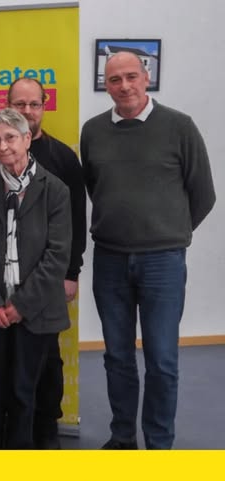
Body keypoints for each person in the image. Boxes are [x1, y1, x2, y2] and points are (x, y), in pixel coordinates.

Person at [80, 51, 216, 450]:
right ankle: (122, 437)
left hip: (163, 262)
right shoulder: (93, 131)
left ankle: (158, 444)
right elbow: (97, 187)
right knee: (117, 357)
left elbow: (203, 193)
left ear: (146, 77)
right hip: (110, 259)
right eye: (114, 79)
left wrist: (168, 233)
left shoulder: (179, 126)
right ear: (106, 85)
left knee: (162, 360)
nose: (124, 86)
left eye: (131, 76)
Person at [0, 77, 86, 449]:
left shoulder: (61, 166)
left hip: (41, 295)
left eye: (33, 104)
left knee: (42, 372)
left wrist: (69, 273)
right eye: (18, 104)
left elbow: (69, 232)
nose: (26, 111)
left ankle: (42, 437)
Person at [0, 108, 71, 449]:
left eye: (10, 138)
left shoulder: (55, 190)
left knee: (26, 391)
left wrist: (21, 305)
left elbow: (57, 255)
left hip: (35, 312)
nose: (3, 146)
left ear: (27, 139)